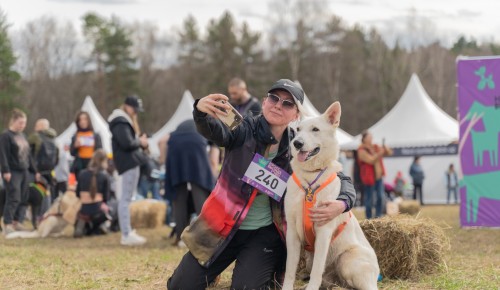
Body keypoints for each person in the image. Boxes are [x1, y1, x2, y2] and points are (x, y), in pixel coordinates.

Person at [167, 79, 356, 289]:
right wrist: (200, 112)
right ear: (264, 102)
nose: (278, 104)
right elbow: (215, 131)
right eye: (274, 98)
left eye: (287, 103)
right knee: (179, 286)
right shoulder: (243, 127)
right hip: (222, 227)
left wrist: (343, 202)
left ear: (296, 115)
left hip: (265, 234)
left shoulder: (299, 145)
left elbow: (338, 176)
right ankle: (213, 271)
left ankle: (260, 270)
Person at [164, 119, 216, 247]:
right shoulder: (214, 126)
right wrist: (211, 177)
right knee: (201, 192)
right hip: (196, 145)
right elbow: (214, 161)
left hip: (174, 146)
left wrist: (165, 162)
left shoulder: (184, 124)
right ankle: (205, 238)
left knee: (178, 193)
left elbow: (161, 141)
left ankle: (180, 237)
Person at [108, 95, 149, 246]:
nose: (136, 112)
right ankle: (126, 234)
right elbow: (127, 143)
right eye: (135, 109)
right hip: (128, 163)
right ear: (127, 106)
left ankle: (127, 231)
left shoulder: (121, 120)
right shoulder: (121, 121)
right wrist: (141, 141)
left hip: (127, 163)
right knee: (125, 199)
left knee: (127, 198)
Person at [0, 109, 39, 235]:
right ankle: (8, 223)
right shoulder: (6, 136)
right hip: (12, 171)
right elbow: (3, 154)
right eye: (21, 122)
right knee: (13, 197)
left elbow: (28, 156)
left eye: (24, 123)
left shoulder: (22, 136)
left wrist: (35, 171)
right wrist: (6, 170)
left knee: (23, 197)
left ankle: (18, 221)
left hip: (24, 171)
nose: (23, 125)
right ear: (14, 121)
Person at [74, 149, 110, 237]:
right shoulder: (104, 176)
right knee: (113, 206)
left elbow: (77, 194)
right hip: (98, 211)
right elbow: (106, 197)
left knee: (84, 212)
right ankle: (103, 225)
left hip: (84, 210)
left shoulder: (82, 174)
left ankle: (83, 224)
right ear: (103, 161)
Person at [357, 131, 392, 219]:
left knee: (381, 197)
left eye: (371, 137)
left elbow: (389, 153)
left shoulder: (375, 147)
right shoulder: (361, 150)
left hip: (378, 177)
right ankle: (369, 218)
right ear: (364, 139)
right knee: (369, 200)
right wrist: (380, 153)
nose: (371, 138)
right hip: (369, 178)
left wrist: (385, 148)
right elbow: (371, 160)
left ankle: (378, 216)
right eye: (369, 137)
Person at [28, 118, 59, 202]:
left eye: (36, 126)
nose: (34, 128)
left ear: (41, 126)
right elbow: (57, 158)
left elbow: (26, 151)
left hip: (35, 172)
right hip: (49, 173)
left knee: (33, 196)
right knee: (47, 194)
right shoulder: (54, 139)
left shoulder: (35, 136)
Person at [70, 111, 103, 178]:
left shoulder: (96, 135)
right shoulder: (75, 136)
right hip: (80, 166)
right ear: (78, 122)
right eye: (80, 120)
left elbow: (100, 151)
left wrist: (95, 145)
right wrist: (75, 146)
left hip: (93, 165)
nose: (83, 122)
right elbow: (72, 153)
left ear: (88, 120)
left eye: (85, 119)